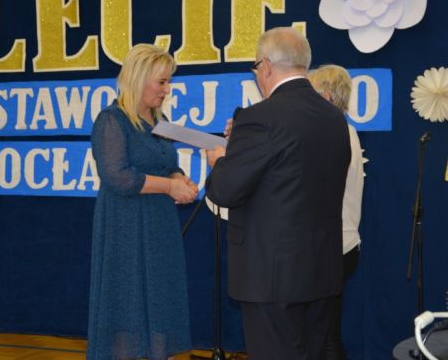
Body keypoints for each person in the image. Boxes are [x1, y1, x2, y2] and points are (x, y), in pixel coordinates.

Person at [205, 27, 351, 360]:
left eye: (256, 68)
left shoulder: (259, 118)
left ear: (267, 66)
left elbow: (225, 191)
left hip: (272, 276)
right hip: (322, 269)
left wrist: (220, 161)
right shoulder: (334, 117)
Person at [87, 44, 197, 360]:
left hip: (160, 228)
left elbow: (166, 163)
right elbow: (119, 177)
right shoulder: (111, 120)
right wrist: (170, 186)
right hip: (126, 229)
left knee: (160, 307)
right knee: (127, 308)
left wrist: (179, 178)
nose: (167, 89)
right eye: (162, 82)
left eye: (168, 81)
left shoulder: (160, 121)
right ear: (139, 78)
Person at [309, 64, 366, 360]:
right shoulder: (348, 132)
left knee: (322, 335)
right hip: (342, 246)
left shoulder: (329, 136)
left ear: (326, 97)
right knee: (325, 331)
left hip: (328, 248)